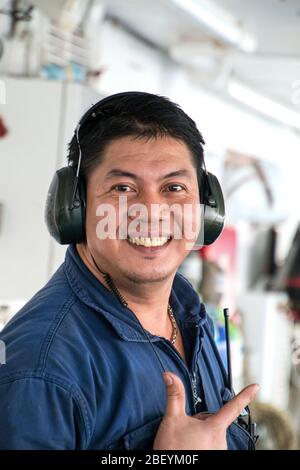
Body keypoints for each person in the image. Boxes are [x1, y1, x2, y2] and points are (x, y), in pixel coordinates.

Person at [0, 92, 258, 450]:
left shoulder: (187, 314)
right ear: (74, 207)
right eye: (123, 188)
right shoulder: (41, 368)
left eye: (174, 188)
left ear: (205, 209)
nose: (151, 211)